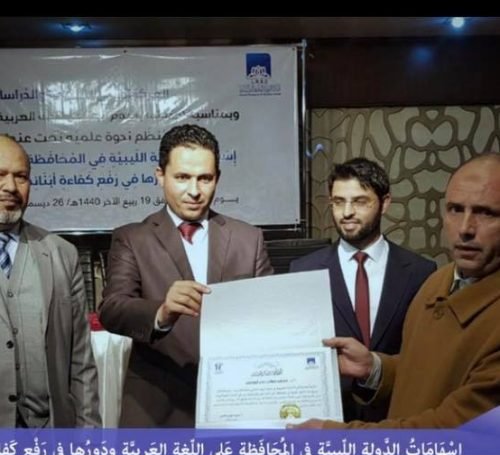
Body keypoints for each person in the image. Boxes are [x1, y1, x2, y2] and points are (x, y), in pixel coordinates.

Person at [291, 153, 500, 455]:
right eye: (455, 209)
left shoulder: (421, 272)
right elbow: (430, 368)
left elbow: (452, 432)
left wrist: (337, 440)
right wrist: (375, 368)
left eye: (487, 213)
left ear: (384, 203)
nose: (465, 228)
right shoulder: (440, 281)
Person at [98, 124, 273, 427]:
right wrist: (161, 312)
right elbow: (112, 309)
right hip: (157, 407)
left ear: (217, 178)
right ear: (160, 175)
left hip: (236, 402)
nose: (194, 191)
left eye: (205, 178)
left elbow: (271, 315)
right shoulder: (132, 238)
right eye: (182, 177)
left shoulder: (249, 239)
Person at [290, 158, 436, 423]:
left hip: (397, 417)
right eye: (338, 202)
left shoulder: (420, 272)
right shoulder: (303, 271)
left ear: (385, 203)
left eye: (359, 201)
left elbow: (426, 354)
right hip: (330, 420)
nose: (346, 212)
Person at [0, 134, 100, 428]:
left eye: (21, 177)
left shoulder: (61, 254)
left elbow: (81, 361)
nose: (11, 187)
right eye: (0, 175)